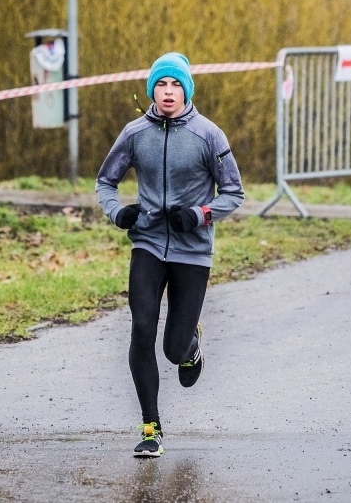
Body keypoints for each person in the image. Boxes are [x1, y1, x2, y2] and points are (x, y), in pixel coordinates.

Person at [95, 52, 244, 457]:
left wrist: (198, 215)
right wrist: (119, 213)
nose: (168, 92)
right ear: (151, 90)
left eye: (176, 84)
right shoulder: (133, 133)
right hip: (146, 244)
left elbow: (234, 193)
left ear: (187, 90)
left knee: (172, 349)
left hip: (192, 251)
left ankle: (190, 345)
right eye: (161, 84)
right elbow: (105, 182)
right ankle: (150, 427)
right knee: (141, 327)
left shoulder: (209, 135)